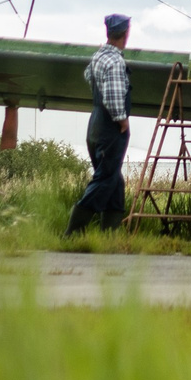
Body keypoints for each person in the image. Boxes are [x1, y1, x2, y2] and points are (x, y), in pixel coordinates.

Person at [67, 13, 134, 232]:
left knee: (114, 180)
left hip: (95, 123)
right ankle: (73, 231)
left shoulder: (98, 57)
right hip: (110, 126)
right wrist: (122, 121)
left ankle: (110, 235)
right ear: (125, 34)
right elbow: (113, 96)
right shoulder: (115, 61)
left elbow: (88, 75)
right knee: (105, 178)